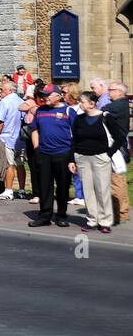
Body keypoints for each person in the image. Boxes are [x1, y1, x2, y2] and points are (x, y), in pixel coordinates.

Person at [72, 90, 118, 233]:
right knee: (88, 190)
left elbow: (120, 137)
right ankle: (92, 220)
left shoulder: (105, 117)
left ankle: (105, 221)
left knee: (102, 189)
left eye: (82, 101)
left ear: (92, 103)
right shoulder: (78, 119)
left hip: (100, 157)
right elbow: (74, 139)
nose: (80, 104)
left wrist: (108, 153)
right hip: (82, 157)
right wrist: (72, 158)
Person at [29, 84, 74, 227]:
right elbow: (34, 129)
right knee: (44, 186)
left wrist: (72, 157)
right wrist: (37, 149)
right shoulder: (40, 111)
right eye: (43, 95)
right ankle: (45, 216)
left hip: (63, 154)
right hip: (44, 154)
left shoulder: (68, 110)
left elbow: (76, 134)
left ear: (58, 96)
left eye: (48, 95)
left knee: (62, 186)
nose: (44, 98)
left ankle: (61, 215)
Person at [0, 74, 27, 199]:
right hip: (20, 138)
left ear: (10, 90)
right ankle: (22, 190)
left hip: (7, 137)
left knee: (9, 164)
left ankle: (8, 191)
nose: (0, 91)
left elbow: (0, 122)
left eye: (2, 90)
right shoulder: (21, 101)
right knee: (20, 164)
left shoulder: (4, 102)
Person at [105, 81, 129, 222]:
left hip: (116, 148)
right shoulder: (122, 104)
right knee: (119, 180)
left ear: (120, 92)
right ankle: (122, 212)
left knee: (116, 181)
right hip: (119, 146)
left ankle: (119, 212)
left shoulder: (117, 106)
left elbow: (103, 110)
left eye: (111, 90)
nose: (109, 92)